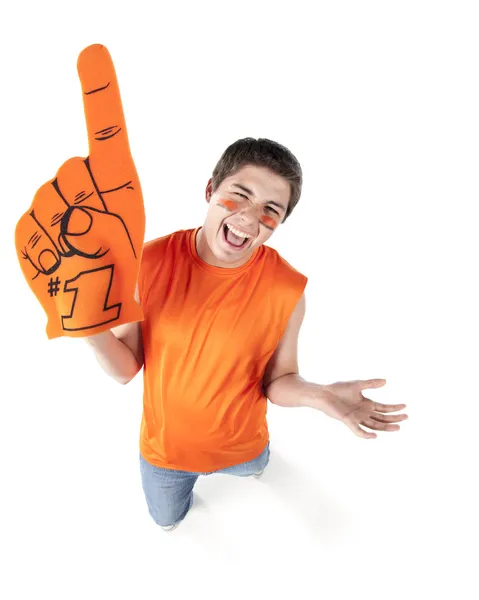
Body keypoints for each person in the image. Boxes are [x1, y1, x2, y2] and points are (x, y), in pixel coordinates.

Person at [84, 136, 408, 532]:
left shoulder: (287, 288)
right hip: (165, 454)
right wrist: (90, 330)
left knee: (257, 467)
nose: (250, 219)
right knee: (167, 522)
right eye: (240, 195)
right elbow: (125, 368)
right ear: (210, 190)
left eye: (271, 210)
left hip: (245, 447)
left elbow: (278, 380)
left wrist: (319, 395)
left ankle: (255, 468)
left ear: (280, 222)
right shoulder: (146, 263)